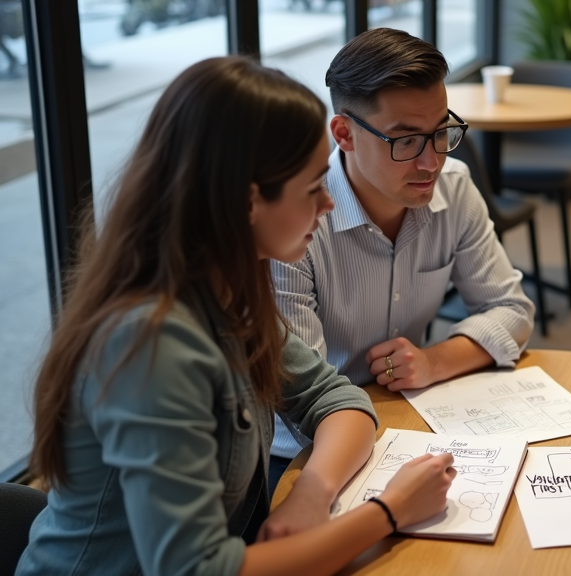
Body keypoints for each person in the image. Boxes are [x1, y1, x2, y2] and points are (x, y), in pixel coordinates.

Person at [18, 57, 457, 576]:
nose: (328, 204)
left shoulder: (227, 294)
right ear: (249, 201)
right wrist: (387, 512)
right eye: (312, 187)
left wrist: (311, 494)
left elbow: (335, 397)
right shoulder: (151, 345)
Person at [268, 28, 535, 486]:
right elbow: (302, 399)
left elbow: (511, 309)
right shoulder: (296, 222)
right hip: (306, 454)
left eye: (440, 134)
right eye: (406, 141)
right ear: (345, 134)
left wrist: (434, 361)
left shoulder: (453, 186)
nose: (431, 162)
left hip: (408, 425)